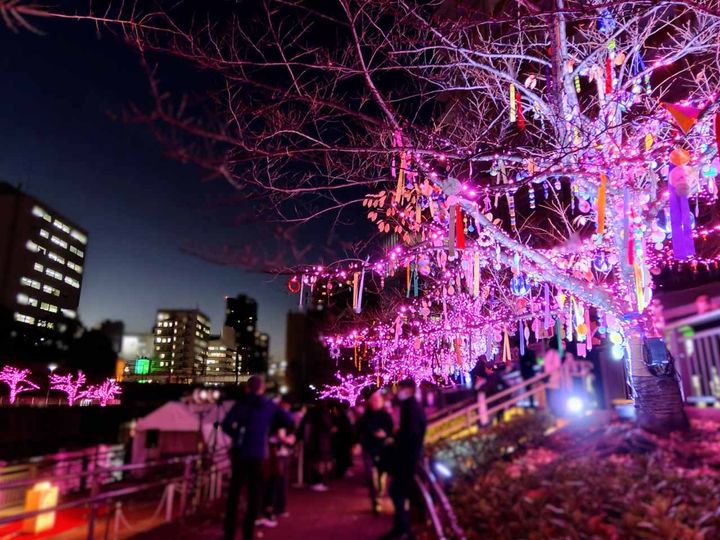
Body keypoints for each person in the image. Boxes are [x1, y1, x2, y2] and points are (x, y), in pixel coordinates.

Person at [221, 376, 292, 540]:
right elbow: (288, 420)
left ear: (247, 388)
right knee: (254, 495)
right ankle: (248, 533)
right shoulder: (269, 405)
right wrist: (267, 429)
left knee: (234, 493)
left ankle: (229, 533)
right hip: (259, 453)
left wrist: (237, 435)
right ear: (263, 388)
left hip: (240, 452)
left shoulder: (241, 404)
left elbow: (225, 425)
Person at [383, 379, 426, 540]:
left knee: (397, 492)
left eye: (400, 388)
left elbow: (412, 433)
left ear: (408, 390)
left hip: (407, 459)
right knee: (400, 492)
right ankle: (402, 528)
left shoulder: (410, 407)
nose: (398, 392)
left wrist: (398, 439)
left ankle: (403, 529)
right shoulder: (412, 406)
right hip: (409, 457)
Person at [356, 389, 394, 514]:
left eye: (378, 400)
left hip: (383, 451)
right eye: (373, 400)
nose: (375, 402)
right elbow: (359, 431)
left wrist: (385, 434)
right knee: (371, 477)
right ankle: (375, 501)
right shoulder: (364, 417)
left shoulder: (386, 417)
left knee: (381, 477)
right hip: (368, 450)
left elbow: (391, 431)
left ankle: (380, 495)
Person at [260, 396, 296, 524]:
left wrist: (289, 438)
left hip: (279, 453)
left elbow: (291, 430)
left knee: (279, 482)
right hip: (274, 454)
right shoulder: (277, 417)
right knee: (273, 482)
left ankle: (277, 508)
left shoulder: (279, 417)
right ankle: (271, 509)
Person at [300, 402, 334, 491]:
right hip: (321, 442)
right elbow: (328, 425)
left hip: (313, 441)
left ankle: (313, 481)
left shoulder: (311, 414)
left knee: (314, 462)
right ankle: (318, 481)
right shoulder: (323, 414)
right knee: (320, 463)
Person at [331, 403, 355, 478]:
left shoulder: (343, 418)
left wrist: (338, 429)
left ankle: (342, 471)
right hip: (338, 441)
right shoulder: (336, 418)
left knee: (343, 457)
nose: (334, 411)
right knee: (339, 457)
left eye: (335, 409)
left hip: (344, 441)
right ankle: (340, 471)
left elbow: (347, 429)